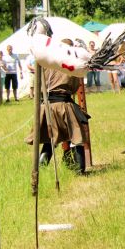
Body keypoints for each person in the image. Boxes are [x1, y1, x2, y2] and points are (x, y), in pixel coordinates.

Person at [25, 39, 90, 174]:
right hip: (63, 104)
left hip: (46, 106)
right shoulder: (71, 64)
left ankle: (42, 168)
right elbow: (74, 87)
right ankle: (80, 170)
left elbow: (38, 83)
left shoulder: (46, 62)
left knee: (50, 138)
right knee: (76, 135)